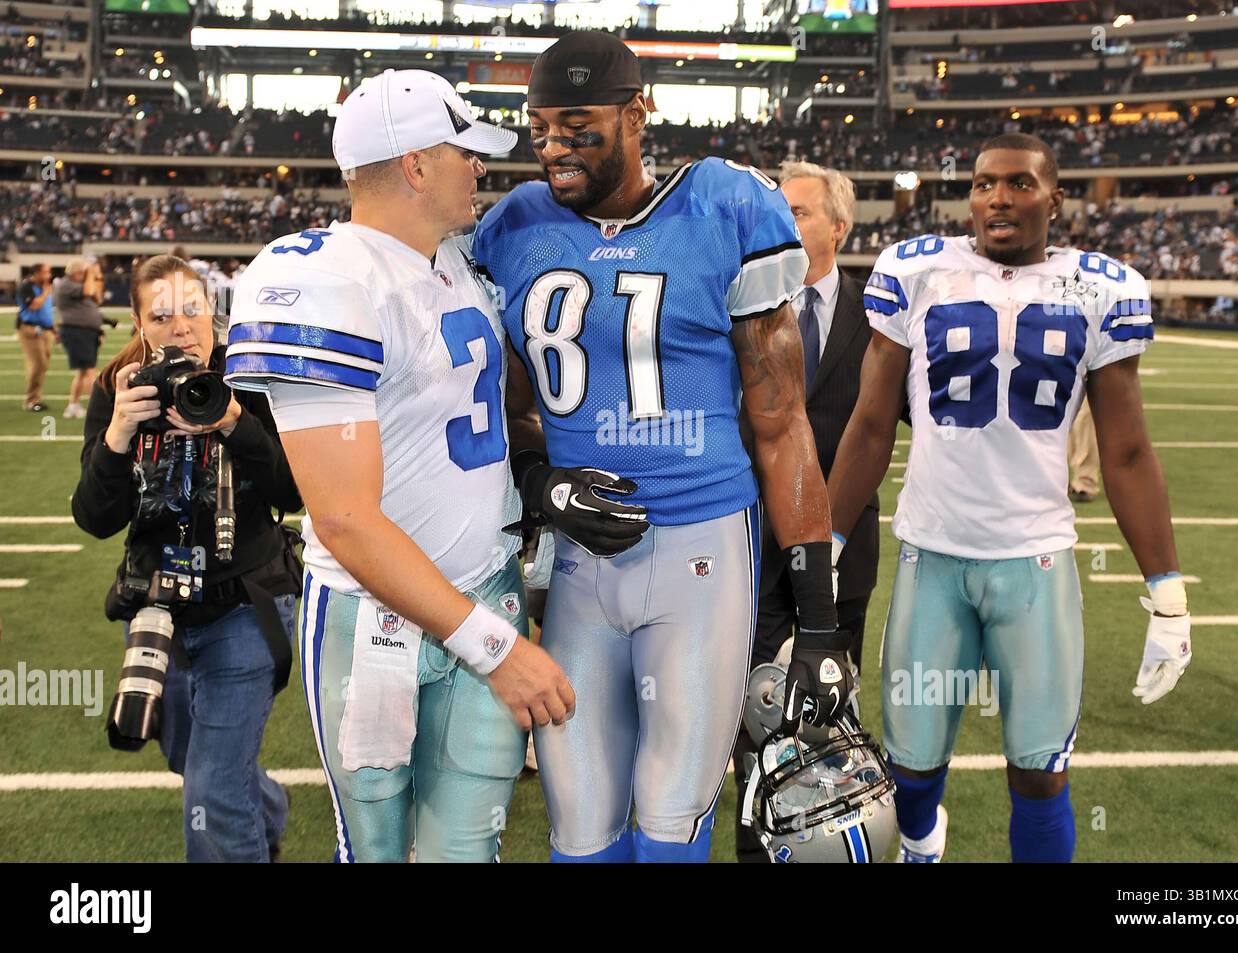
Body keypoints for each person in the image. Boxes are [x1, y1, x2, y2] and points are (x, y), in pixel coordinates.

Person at [473, 32, 847, 863]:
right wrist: (539, 480)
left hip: (701, 551)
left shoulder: (723, 208)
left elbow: (782, 423)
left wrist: (818, 619)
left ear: (638, 113)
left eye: (577, 125)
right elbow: (497, 409)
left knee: (673, 824)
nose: (554, 148)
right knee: (579, 826)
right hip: (576, 564)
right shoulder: (514, 227)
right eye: (540, 129)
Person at [223, 69, 594, 863]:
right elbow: (346, 517)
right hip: (372, 618)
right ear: (418, 164)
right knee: (378, 849)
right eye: (466, 152)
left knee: (467, 849)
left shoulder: (459, 262)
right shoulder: (323, 276)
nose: (482, 169)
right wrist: (500, 648)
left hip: (485, 584)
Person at [826, 133, 1191, 863]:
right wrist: (825, 546)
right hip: (934, 553)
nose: (998, 197)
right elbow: (870, 424)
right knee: (912, 771)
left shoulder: (1103, 286)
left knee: (1040, 772)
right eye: (985, 183)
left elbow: (1125, 450)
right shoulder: (918, 268)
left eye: (1020, 184)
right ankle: (924, 844)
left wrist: (1168, 591)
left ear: (1055, 198)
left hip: (1037, 564)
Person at [71, 254, 303, 862]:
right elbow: (95, 519)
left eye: (191, 310)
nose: (181, 328)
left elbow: (295, 493)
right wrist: (119, 434)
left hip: (245, 603)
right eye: (163, 315)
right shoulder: (120, 389)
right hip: (156, 612)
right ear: (139, 323)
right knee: (189, 756)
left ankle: (243, 818)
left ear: (212, 309)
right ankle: (267, 809)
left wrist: (231, 421)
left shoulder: (251, 376)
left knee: (213, 788)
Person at [731, 160, 880, 862]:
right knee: (753, 714)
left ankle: (821, 844)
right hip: (750, 542)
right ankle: (758, 842)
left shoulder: (880, 311)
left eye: (798, 211)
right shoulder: (739, 298)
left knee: (828, 716)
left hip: (843, 549)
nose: (782, 223)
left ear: (839, 227)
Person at [54, 257, 107, 419]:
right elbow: (89, 292)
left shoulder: (78, 284)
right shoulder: (66, 284)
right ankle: (100, 407)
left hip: (84, 332)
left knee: (84, 372)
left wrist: (96, 277)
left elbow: (97, 298)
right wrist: (91, 273)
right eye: (83, 273)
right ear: (77, 272)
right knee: (90, 371)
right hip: (76, 332)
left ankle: (73, 405)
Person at [17, 262, 55, 412]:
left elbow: (46, 310)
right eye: (46, 272)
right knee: (38, 364)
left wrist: (53, 329)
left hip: (46, 330)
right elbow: (34, 305)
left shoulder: (43, 287)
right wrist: (46, 292)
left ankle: (36, 398)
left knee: (42, 365)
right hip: (30, 329)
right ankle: (31, 400)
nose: (49, 276)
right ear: (37, 273)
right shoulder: (26, 286)